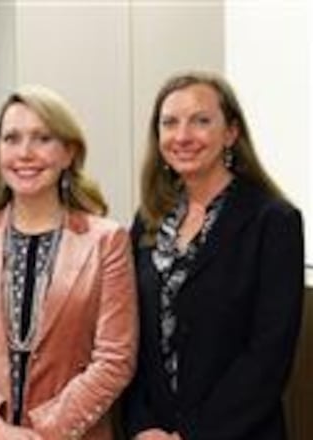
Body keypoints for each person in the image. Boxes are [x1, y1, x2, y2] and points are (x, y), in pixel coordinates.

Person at [0, 84, 138, 439]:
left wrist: (45, 431)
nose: (24, 153)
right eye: (11, 139)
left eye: (42, 138)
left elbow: (114, 359)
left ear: (69, 152)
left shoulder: (107, 240)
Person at [123, 71, 304, 440]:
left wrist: (193, 435)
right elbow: (129, 332)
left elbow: (268, 354)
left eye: (201, 121)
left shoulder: (274, 221)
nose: (183, 136)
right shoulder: (148, 219)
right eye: (169, 123)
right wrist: (141, 425)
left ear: (231, 132)